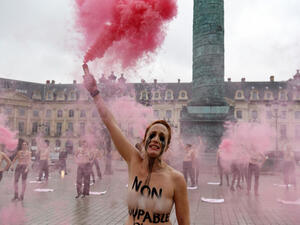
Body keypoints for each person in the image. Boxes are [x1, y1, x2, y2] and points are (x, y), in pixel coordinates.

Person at [83, 64, 190, 225]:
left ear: (166, 146)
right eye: (152, 135)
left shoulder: (176, 179)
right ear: (144, 140)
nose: (156, 139)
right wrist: (94, 92)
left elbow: (184, 222)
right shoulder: (134, 161)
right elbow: (110, 122)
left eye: (162, 137)